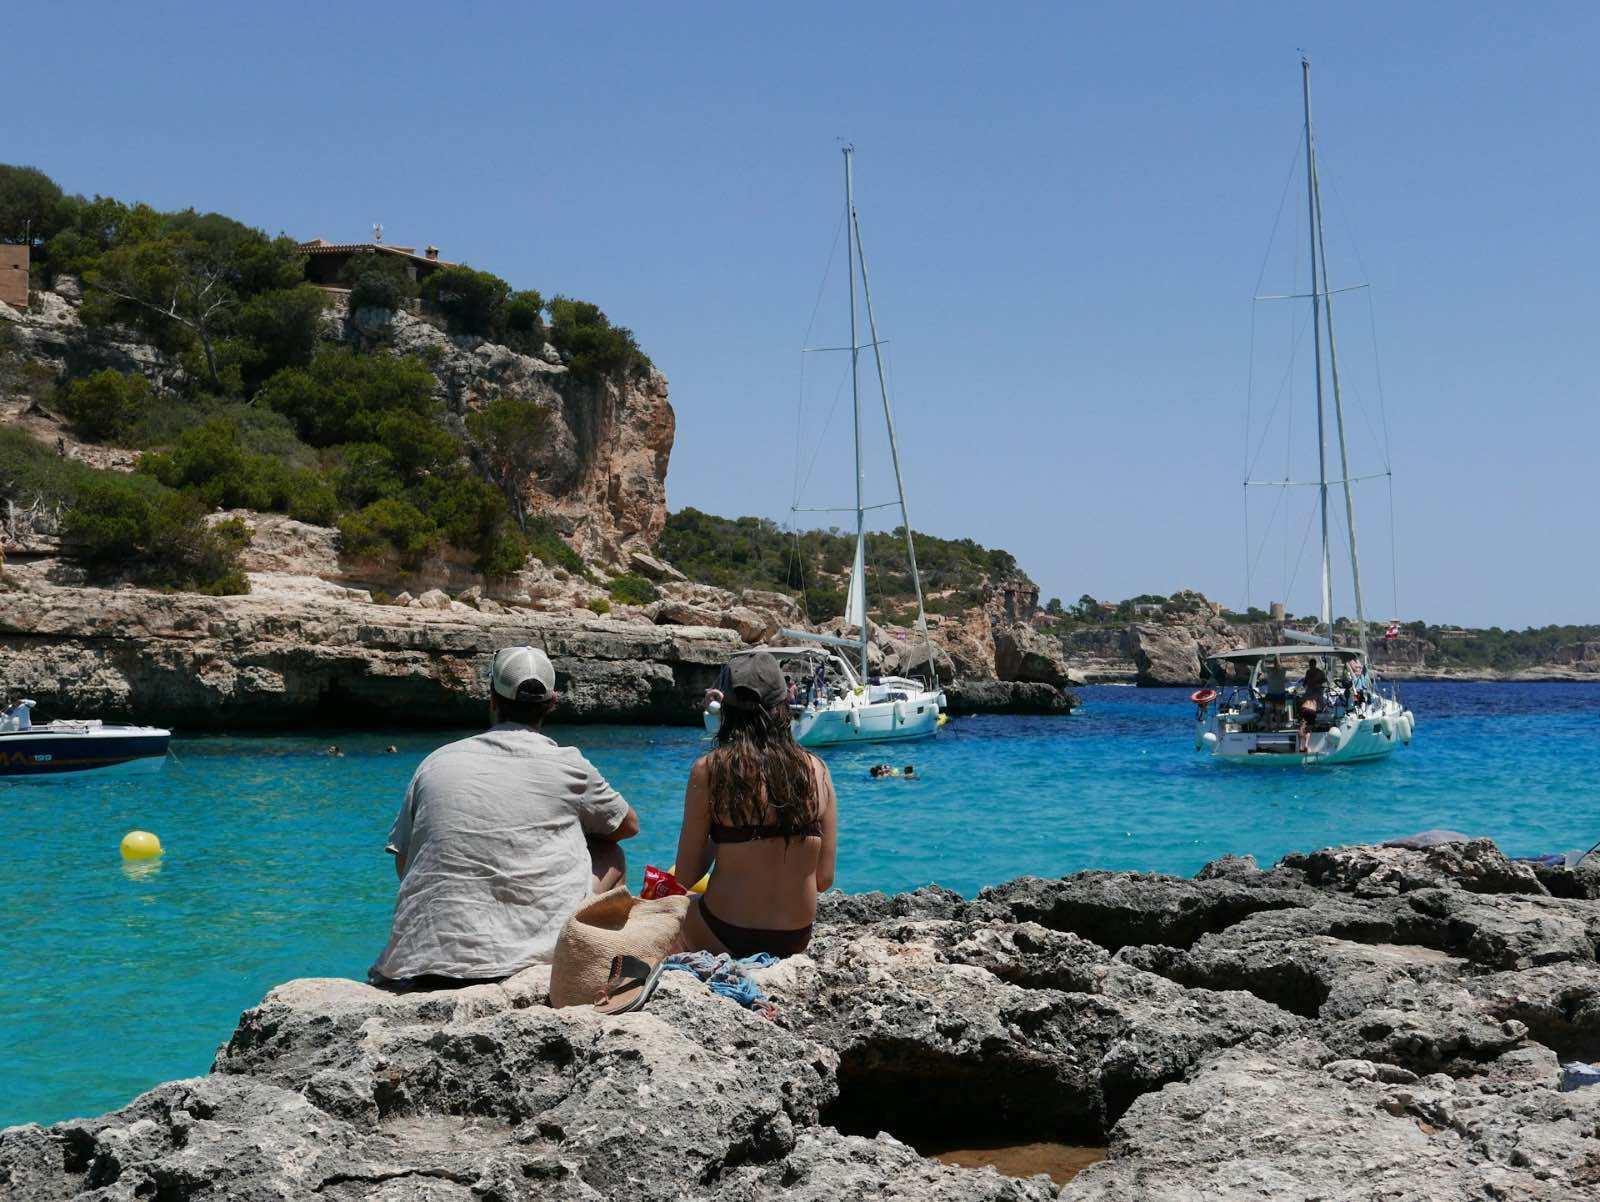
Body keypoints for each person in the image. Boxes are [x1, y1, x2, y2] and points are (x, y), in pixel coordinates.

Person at [370, 645, 640, 989]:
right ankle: (580, 960)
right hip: (528, 960)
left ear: (492, 700)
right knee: (609, 852)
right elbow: (627, 826)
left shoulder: (436, 761)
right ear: (551, 703)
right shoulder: (570, 764)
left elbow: (404, 864)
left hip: (425, 959)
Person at [672, 651, 837, 959]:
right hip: (794, 939)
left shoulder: (710, 770)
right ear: (785, 700)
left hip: (723, 932)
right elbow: (824, 880)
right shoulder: (818, 770)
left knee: (668, 913)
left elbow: (685, 876)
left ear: (725, 708)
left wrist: (715, 836)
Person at [1298, 657, 1330, 753]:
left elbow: (1305, 683)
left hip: (1305, 707)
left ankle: (1301, 746)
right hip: (1312, 709)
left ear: (1310, 664)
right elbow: (1325, 681)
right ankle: (1306, 745)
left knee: (1302, 726)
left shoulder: (1310, 673)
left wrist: (1310, 683)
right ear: (1315, 664)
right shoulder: (1318, 673)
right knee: (1309, 729)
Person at [1261, 657, 1288, 726]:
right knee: (1267, 711)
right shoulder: (1270, 669)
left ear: (1280, 662)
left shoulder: (1283, 670)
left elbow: (1279, 668)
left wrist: (1278, 657)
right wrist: (1263, 659)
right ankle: (1268, 727)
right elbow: (1263, 669)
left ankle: (1277, 728)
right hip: (1270, 694)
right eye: (1275, 662)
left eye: (1277, 662)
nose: (1276, 663)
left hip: (1280, 694)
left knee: (1278, 712)